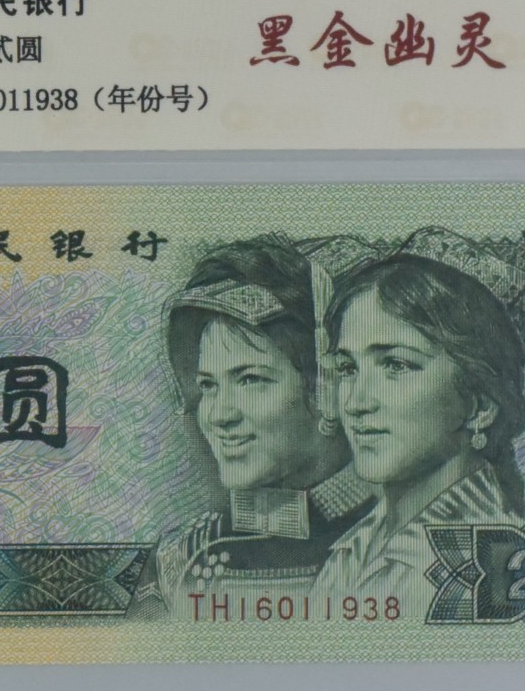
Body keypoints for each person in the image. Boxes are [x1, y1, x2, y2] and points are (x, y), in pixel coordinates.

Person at [128, 235, 375, 620]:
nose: (218, 415)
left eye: (250, 380)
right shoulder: (181, 561)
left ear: (327, 386)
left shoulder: (408, 539)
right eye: (208, 386)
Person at [310, 245, 525, 623]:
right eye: (348, 369)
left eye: (395, 365)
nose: (356, 403)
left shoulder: (494, 563)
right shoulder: (355, 547)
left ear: (479, 405)